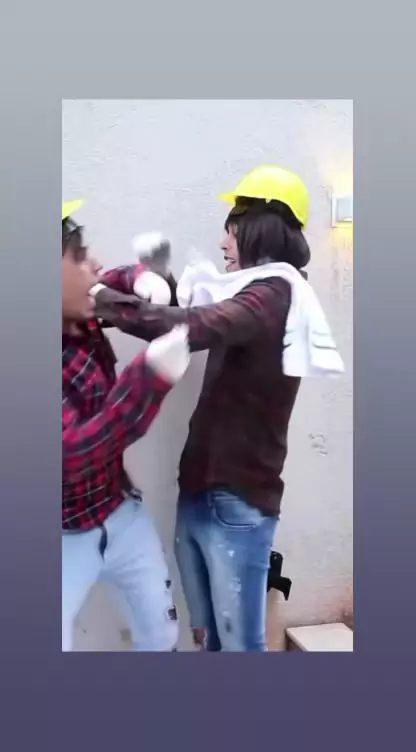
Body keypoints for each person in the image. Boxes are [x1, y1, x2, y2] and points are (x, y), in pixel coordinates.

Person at [93, 166, 312, 651]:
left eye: (231, 230)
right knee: (210, 641)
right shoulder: (249, 291)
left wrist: (96, 300)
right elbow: (191, 309)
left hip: (236, 501)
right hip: (204, 491)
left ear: (260, 229)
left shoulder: (274, 296)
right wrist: (153, 281)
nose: (222, 242)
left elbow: (191, 327)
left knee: (237, 649)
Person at [61, 199, 190, 652]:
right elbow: (69, 454)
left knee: (161, 634)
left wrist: (144, 275)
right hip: (61, 536)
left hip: (119, 513)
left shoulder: (76, 311)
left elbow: (108, 283)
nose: (93, 263)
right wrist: (147, 379)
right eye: (78, 256)